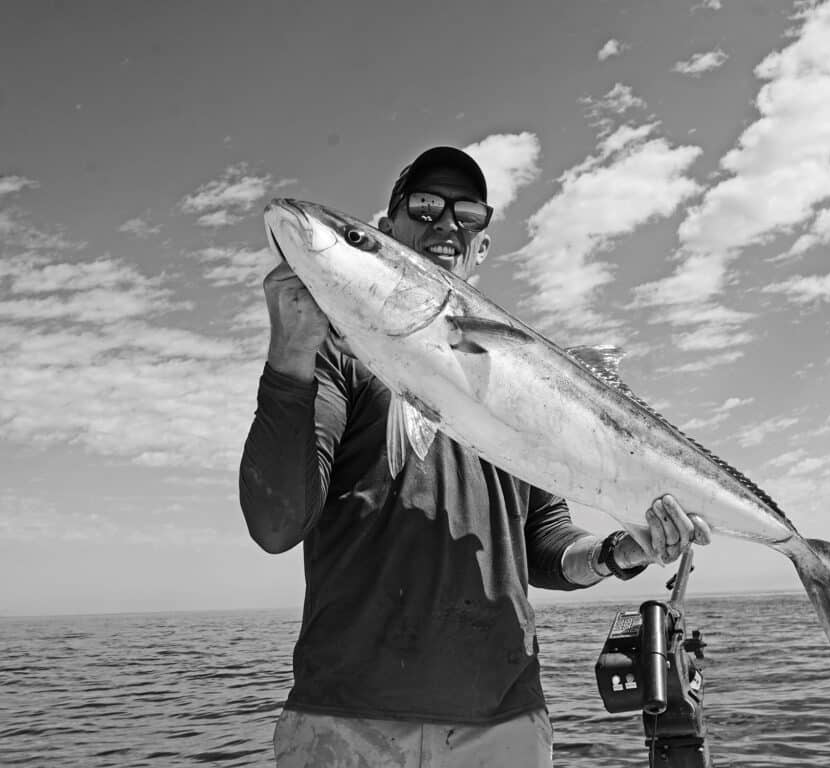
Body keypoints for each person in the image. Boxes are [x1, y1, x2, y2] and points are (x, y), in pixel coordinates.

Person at [239, 146, 711, 768]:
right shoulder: (335, 360)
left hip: (504, 725)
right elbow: (276, 526)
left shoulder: (527, 388)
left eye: (468, 214)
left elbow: (545, 548)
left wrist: (620, 552)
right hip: (345, 722)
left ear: (483, 247)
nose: (446, 225)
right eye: (425, 206)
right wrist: (289, 359)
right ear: (386, 231)